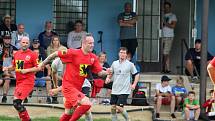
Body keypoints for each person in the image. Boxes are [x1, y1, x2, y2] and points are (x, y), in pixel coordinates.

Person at [39, 33, 110, 121]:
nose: (92, 45)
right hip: (68, 87)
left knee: (69, 113)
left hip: (78, 88)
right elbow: (54, 55)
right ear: (83, 43)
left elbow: (99, 73)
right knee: (87, 104)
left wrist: (107, 72)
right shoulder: (73, 52)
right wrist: (42, 64)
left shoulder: (93, 57)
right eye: (90, 43)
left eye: (93, 43)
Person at [3, 36, 40, 121]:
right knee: (17, 104)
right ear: (20, 43)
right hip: (19, 82)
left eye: (27, 43)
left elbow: (38, 67)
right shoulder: (17, 53)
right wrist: (7, 68)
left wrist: (27, 70)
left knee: (17, 103)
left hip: (27, 81)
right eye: (23, 42)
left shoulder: (33, 54)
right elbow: (15, 67)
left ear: (29, 44)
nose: (25, 44)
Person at [105, 47, 140, 121]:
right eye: (121, 52)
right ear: (118, 54)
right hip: (115, 89)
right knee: (113, 107)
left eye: (124, 53)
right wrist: (108, 78)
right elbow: (110, 73)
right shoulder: (114, 63)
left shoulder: (130, 64)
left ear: (126, 55)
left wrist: (134, 84)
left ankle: (128, 119)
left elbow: (137, 75)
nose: (122, 54)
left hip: (125, 90)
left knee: (119, 107)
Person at [30, 39, 53, 104]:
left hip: (41, 79)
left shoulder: (42, 60)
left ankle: (48, 98)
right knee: (30, 78)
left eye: (37, 53)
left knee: (48, 79)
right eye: (35, 53)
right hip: (33, 79)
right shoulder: (30, 60)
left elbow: (48, 68)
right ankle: (26, 97)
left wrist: (48, 75)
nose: (36, 54)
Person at [0, 35, 17, 103]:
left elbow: (18, 61)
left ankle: (4, 97)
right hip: (1, 69)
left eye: (8, 39)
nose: (7, 40)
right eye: (5, 39)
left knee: (7, 79)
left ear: (10, 40)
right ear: (3, 39)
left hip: (10, 69)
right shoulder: (0, 47)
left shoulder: (14, 48)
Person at [161, 2, 177, 73]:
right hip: (160, 36)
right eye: (165, 7)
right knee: (163, 53)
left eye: (167, 7)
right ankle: (167, 68)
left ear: (170, 8)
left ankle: (164, 68)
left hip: (169, 36)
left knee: (166, 52)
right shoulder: (160, 15)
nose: (166, 9)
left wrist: (165, 23)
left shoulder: (173, 16)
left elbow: (173, 26)